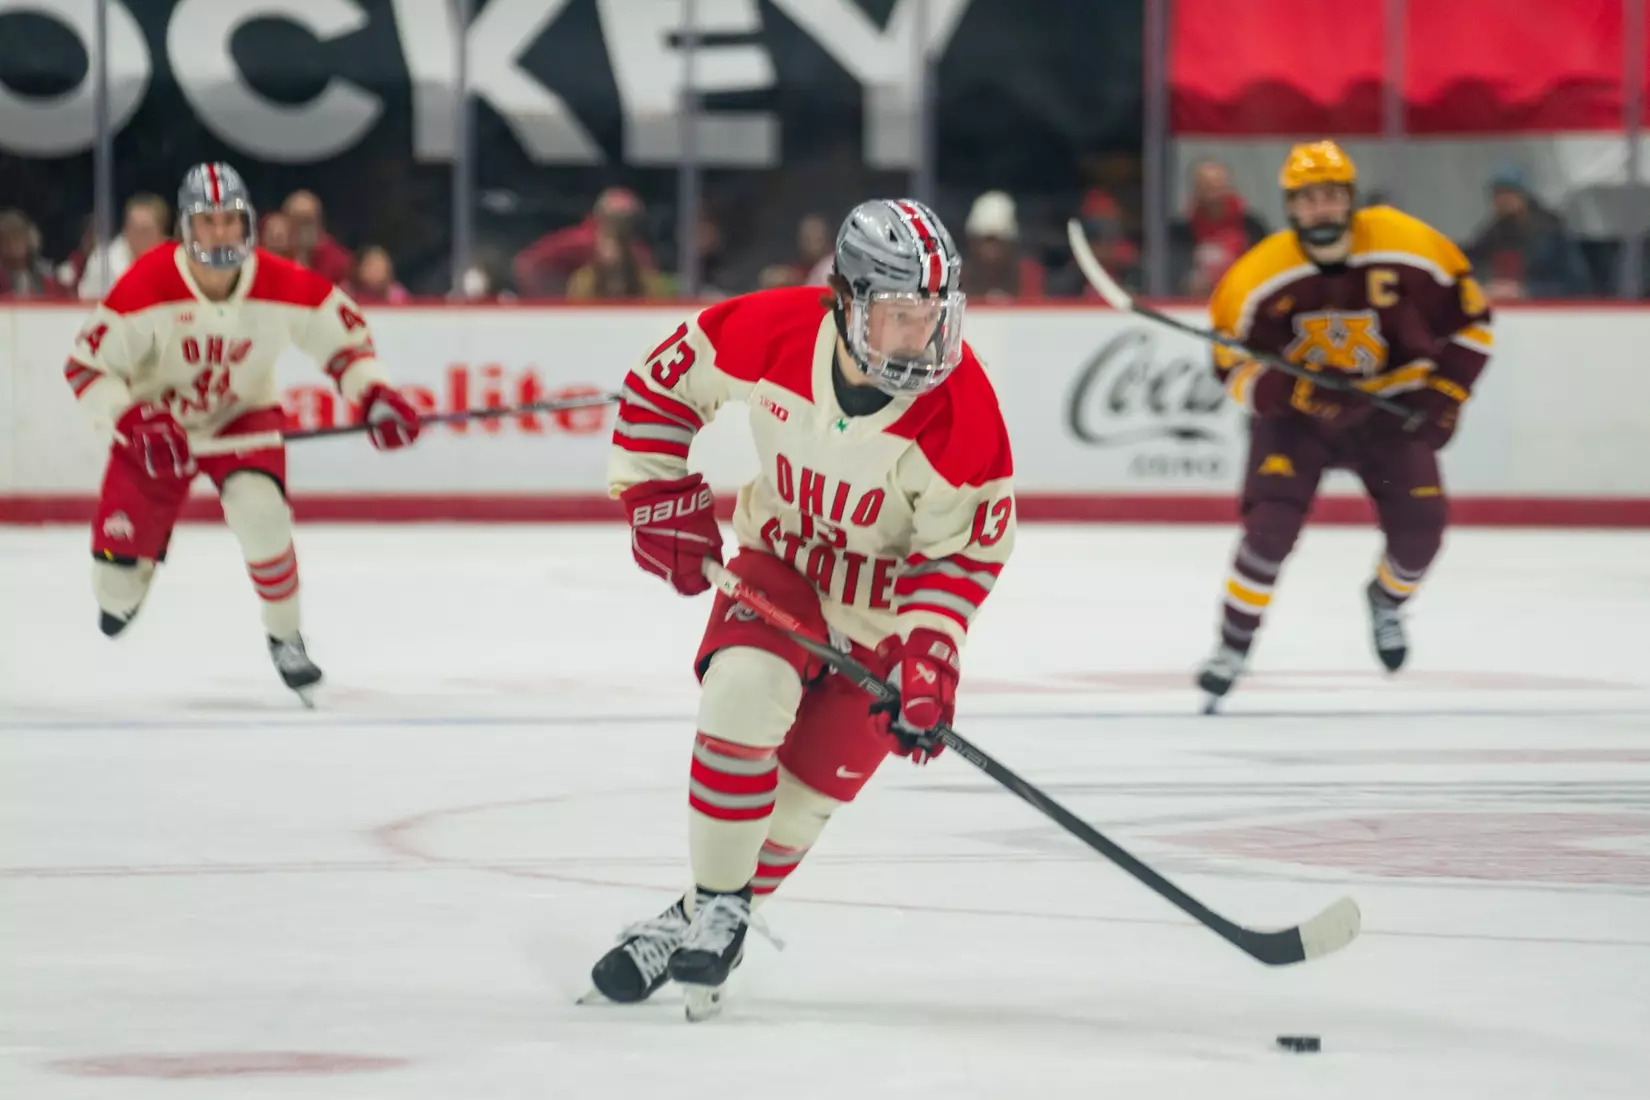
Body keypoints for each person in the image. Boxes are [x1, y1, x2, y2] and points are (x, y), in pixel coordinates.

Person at [592, 199, 1016, 1019]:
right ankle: (719, 906)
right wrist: (653, 491)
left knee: (797, 806)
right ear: (848, 302)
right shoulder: (772, 331)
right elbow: (659, 388)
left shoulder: (965, 412)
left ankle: (696, 914)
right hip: (780, 565)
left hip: (883, 620)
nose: (919, 338)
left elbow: (959, 553)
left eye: (931, 316)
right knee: (742, 694)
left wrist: (929, 653)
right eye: (898, 317)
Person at [61, 162, 422, 704]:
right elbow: (85, 368)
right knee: (111, 594)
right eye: (208, 222)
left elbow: (346, 345)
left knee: (263, 515)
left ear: (248, 224)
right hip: (156, 432)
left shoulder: (282, 283)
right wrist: (133, 419)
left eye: (231, 220)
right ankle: (137, 563)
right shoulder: (148, 285)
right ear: (186, 228)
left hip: (241, 418)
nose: (221, 233)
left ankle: (286, 637)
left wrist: (374, 395)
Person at [1195, 141, 1493, 706]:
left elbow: (1472, 323)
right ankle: (1232, 647)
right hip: (1299, 421)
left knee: (1422, 532)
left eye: (1332, 196)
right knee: (1267, 533)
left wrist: (1445, 395)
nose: (1322, 209)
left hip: (1388, 409)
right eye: (1309, 200)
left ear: (1350, 200)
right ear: (1290, 207)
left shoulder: (1412, 247)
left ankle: (1386, 601)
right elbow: (1228, 364)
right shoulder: (1257, 274)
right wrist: (1292, 391)